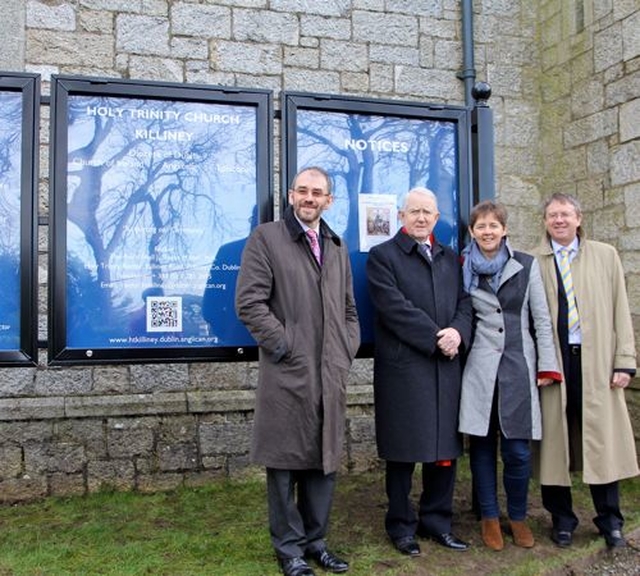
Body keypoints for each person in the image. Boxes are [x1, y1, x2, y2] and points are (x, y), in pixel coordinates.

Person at [235, 167, 360, 576]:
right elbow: (250, 304)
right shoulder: (267, 238)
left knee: (324, 461)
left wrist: (344, 350)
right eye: (302, 191)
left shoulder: (336, 245)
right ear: (291, 196)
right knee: (285, 463)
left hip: (330, 370)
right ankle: (289, 550)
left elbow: (349, 310)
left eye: (317, 192)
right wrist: (285, 344)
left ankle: (316, 541)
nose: (309, 198)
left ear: (329, 200)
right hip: (288, 370)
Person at [366, 187, 473, 557]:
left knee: (444, 449)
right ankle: (401, 526)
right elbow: (393, 308)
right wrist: (435, 338)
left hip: (446, 368)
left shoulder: (449, 258)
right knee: (402, 452)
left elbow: (465, 302)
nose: (421, 218)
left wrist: (458, 332)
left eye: (428, 212)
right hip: (405, 369)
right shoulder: (383, 257)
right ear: (401, 216)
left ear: (437, 218)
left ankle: (437, 521)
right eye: (414, 212)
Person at [533, 192, 638, 549]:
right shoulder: (535, 261)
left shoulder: (605, 256)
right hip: (554, 364)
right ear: (545, 221)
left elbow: (621, 311)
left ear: (579, 218)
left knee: (601, 442)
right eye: (552, 215)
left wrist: (625, 361)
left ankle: (610, 521)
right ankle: (562, 519)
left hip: (598, 362)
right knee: (554, 443)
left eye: (565, 214)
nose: (559, 220)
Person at [458, 201, 561, 551]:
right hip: (480, 369)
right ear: (472, 231)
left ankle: (517, 516)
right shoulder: (463, 267)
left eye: (493, 225)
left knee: (518, 450)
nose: (487, 231)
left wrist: (548, 365)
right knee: (483, 447)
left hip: (519, 366)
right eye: (480, 226)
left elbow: (542, 320)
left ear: (504, 230)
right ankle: (489, 516)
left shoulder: (526, 265)